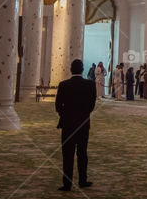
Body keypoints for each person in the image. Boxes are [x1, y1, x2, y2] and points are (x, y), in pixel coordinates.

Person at [55, 59, 96, 192]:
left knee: (67, 154)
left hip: (67, 125)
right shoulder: (90, 85)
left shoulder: (63, 85)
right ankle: (83, 180)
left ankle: (67, 184)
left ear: (71, 70)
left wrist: (66, 115)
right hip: (83, 124)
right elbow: (91, 105)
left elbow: (58, 106)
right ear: (82, 70)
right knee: (82, 153)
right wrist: (83, 115)